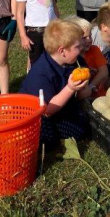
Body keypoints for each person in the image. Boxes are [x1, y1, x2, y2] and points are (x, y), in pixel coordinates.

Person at [20, 19, 91, 147]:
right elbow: (46, 110)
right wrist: (70, 88)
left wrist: (83, 89)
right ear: (62, 51)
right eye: (77, 47)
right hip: (37, 116)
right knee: (48, 138)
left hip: (62, 108)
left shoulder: (75, 61)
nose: (81, 49)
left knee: (84, 128)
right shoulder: (41, 74)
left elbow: (80, 95)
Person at [66, 16, 109, 98]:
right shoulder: (70, 57)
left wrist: (91, 86)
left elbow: (104, 72)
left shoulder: (94, 50)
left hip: (98, 95)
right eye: (84, 38)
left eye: (90, 36)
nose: (89, 40)